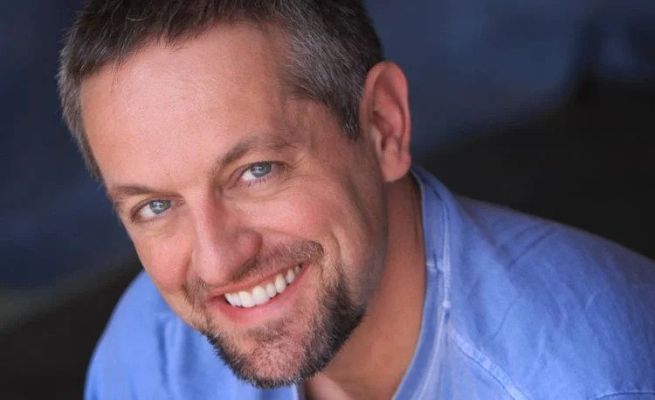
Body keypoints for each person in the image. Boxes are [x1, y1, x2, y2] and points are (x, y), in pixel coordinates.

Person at [58, 1, 655, 399]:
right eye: (155, 207)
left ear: (383, 126)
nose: (216, 264)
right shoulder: (152, 356)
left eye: (256, 171)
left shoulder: (587, 383)